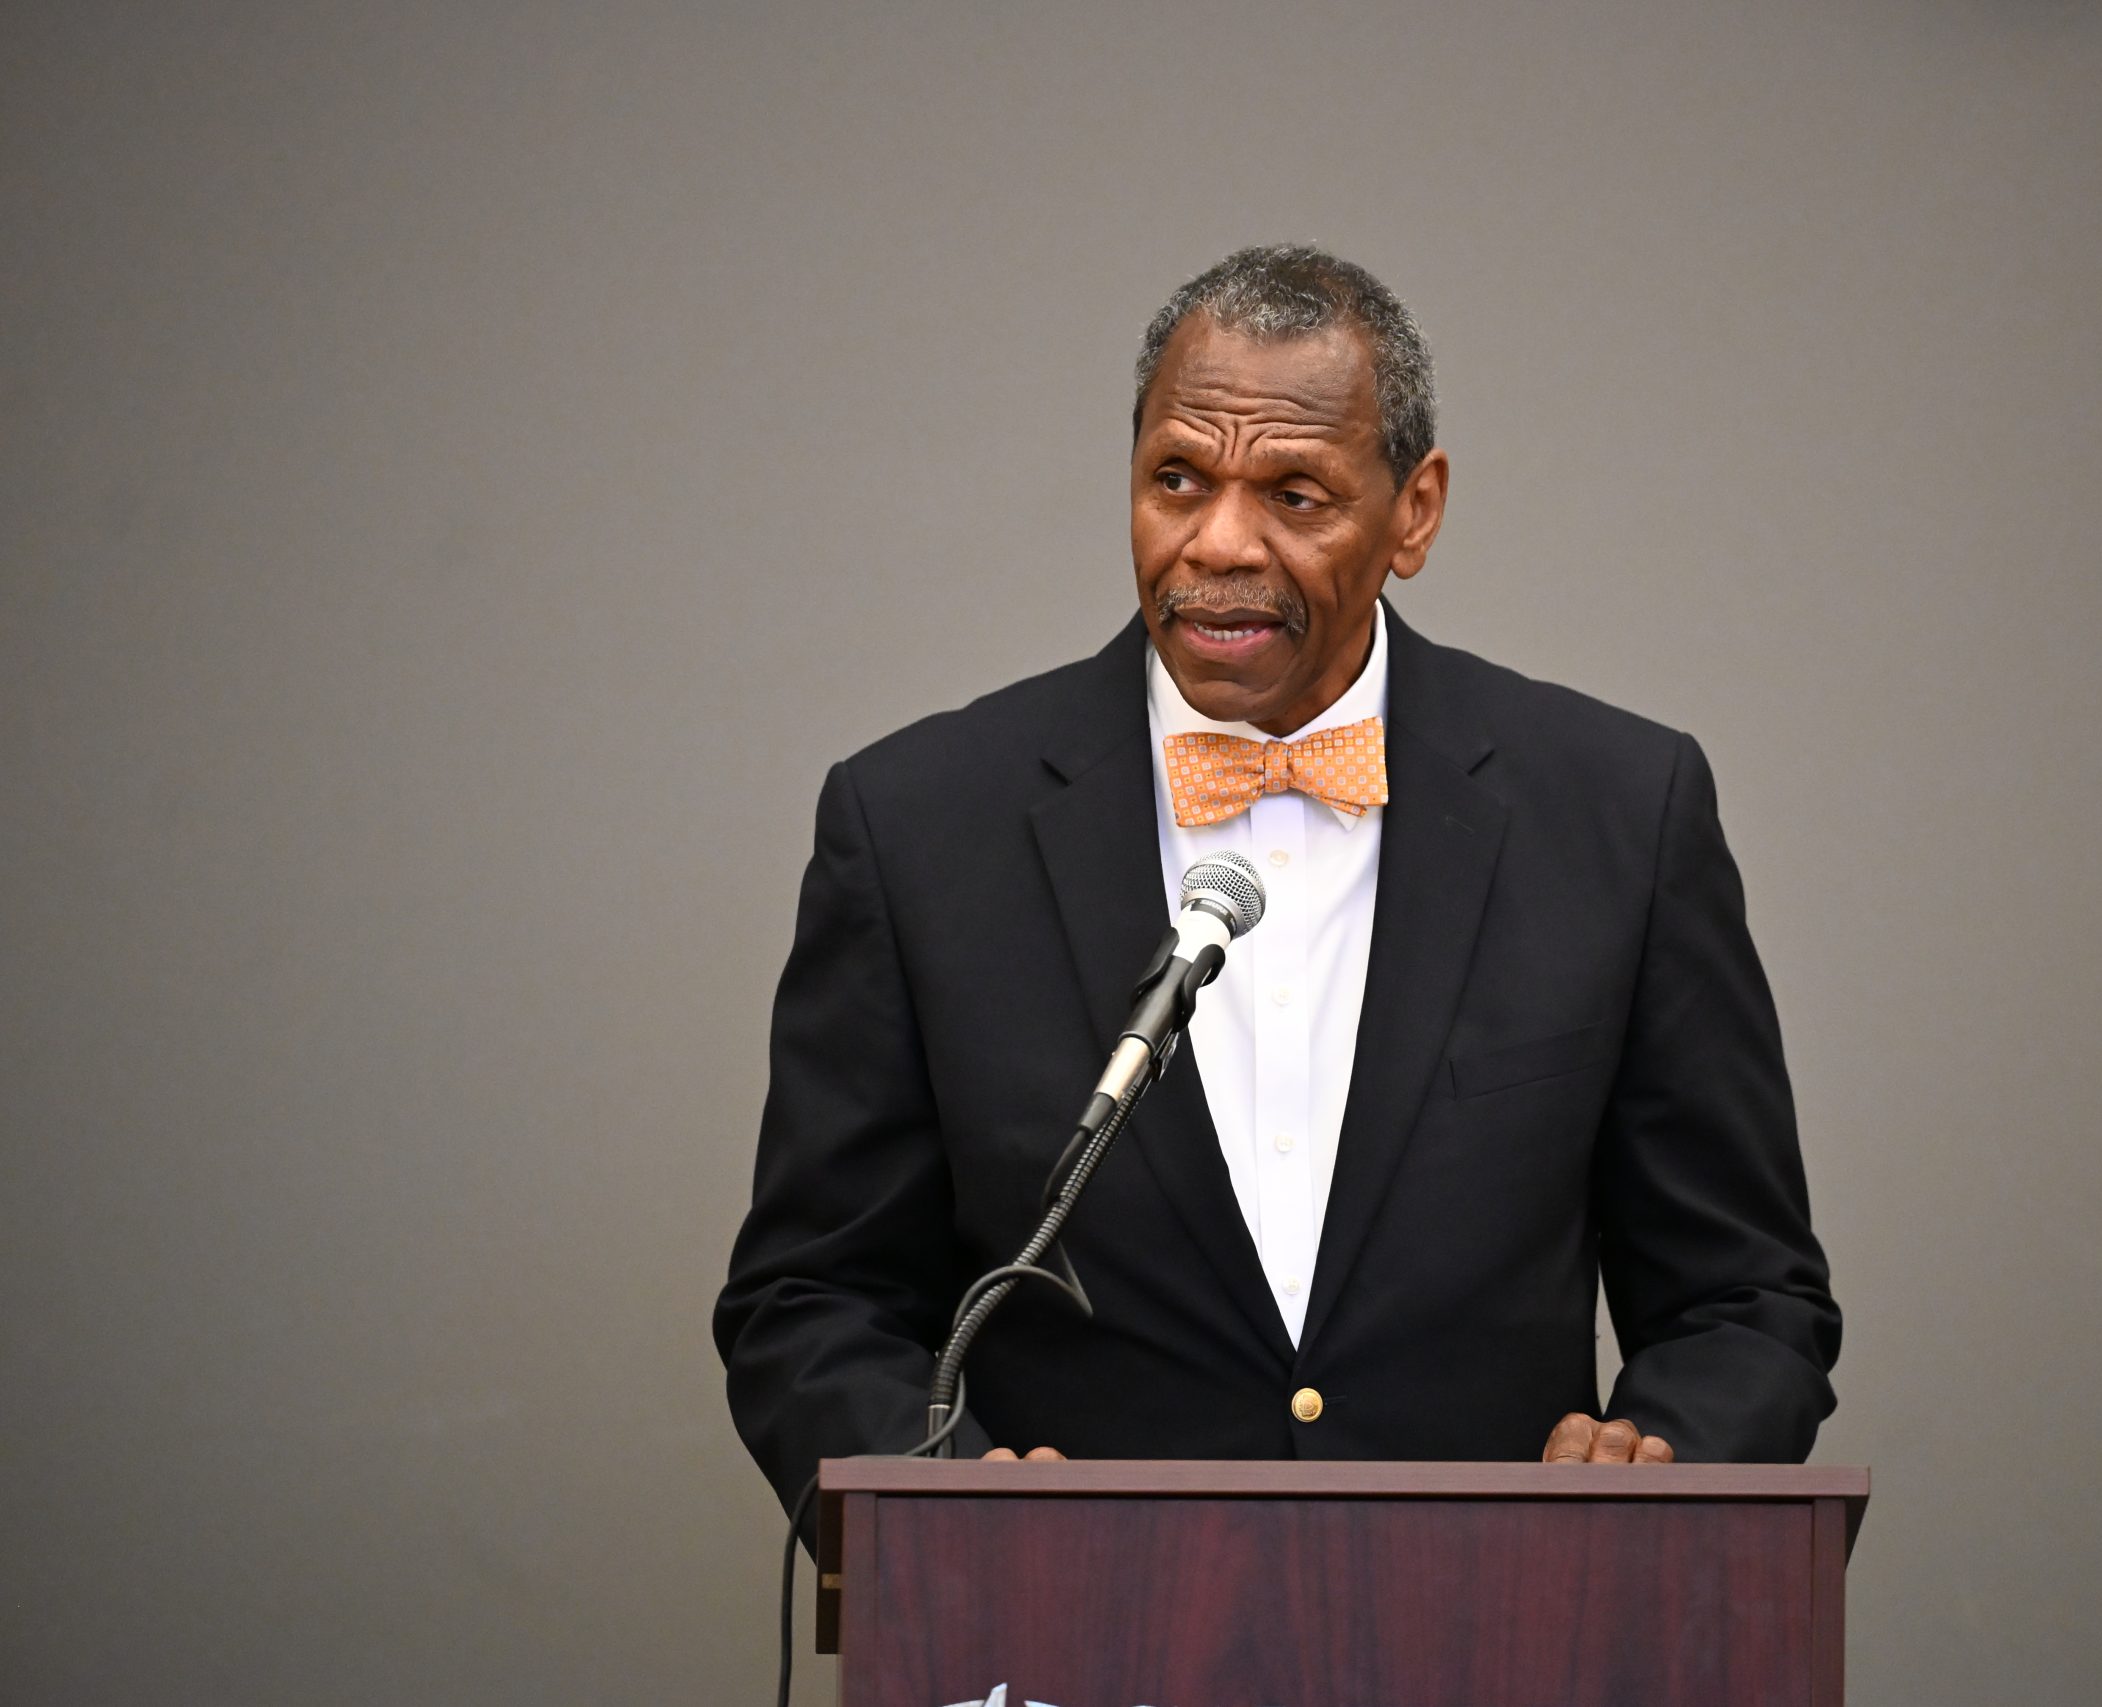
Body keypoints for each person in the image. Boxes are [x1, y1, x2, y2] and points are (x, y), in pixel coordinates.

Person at [715, 246, 1839, 1503]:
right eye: (1177, 479)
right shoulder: (917, 824)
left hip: (1499, 1634)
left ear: (1413, 511)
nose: (1218, 543)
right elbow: (808, 1300)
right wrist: (957, 1507)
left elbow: (1745, 1298)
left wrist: (1660, 1471)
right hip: (1068, 1652)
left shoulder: (1621, 812)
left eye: (1295, 494)